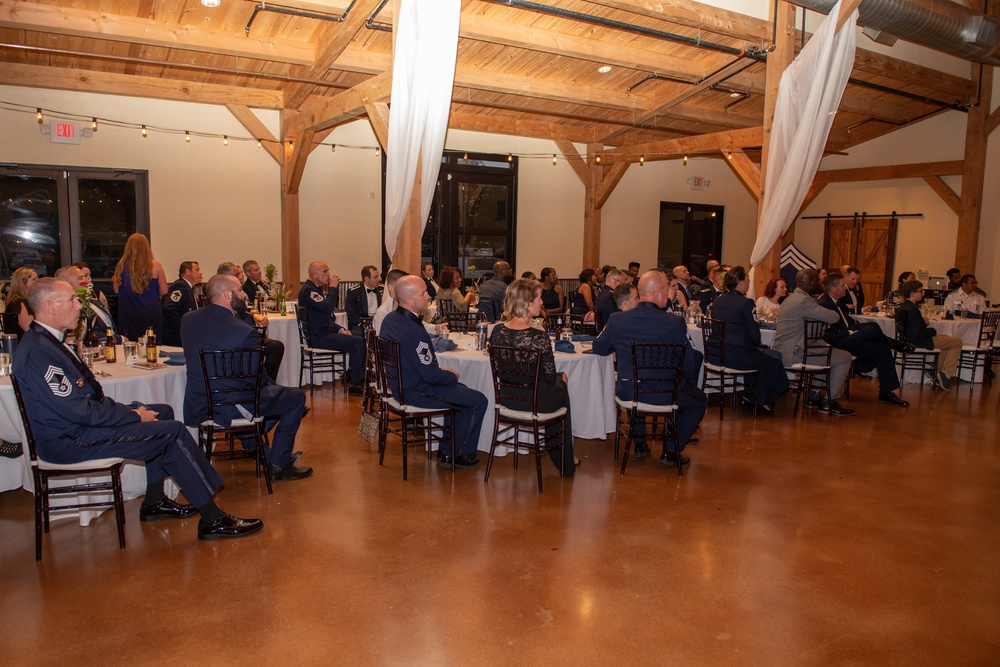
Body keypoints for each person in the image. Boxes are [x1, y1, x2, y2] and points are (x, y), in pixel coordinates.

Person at [12, 278, 262, 540]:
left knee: (162, 412)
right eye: (72, 300)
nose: (79, 306)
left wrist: (132, 410)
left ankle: (154, 502)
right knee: (171, 432)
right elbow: (79, 411)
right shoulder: (39, 351)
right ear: (50, 306)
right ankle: (213, 519)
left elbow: (84, 402)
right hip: (71, 439)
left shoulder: (47, 341)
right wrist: (132, 415)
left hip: (79, 428)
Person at [181, 274, 311, 480]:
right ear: (227, 294)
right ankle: (278, 463)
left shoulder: (188, 320)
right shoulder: (243, 331)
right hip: (231, 406)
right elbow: (255, 380)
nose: (245, 295)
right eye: (240, 290)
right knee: (295, 398)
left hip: (200, 402)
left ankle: (266, 455)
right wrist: (274, 389)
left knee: (270, 395)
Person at [594, 270, 706, 467]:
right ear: (659, 294)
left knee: (635, 382)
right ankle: (671, 450)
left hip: (629, 391)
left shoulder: (618, 320)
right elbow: (688, 360)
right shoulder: (674, 323)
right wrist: (686, 383)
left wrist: (617, 349)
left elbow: (599, 347)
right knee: (698, 401)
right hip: (665, 394)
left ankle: (639, 443)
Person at [381, 276, 488, 468]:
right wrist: (450, 374)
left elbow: (421, 364)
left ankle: (448, 450)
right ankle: (458, 453)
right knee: (477, 400)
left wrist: (441, 373)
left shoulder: (391, 319)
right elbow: (430, 376)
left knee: (460, 391)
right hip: (415, 390)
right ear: (410, 300)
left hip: (400, 384)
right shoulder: (414, 330)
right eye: (423, 292)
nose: (429, 295)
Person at [488, 279, 576, 476]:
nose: (542, 303)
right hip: (536, 402)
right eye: (539, 299)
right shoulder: (539, 337)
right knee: (562, 384)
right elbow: (550, 375)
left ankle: (565, 457)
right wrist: (562, 380)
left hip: (508, 398)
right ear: (527, 303)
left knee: (559, 383)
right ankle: (564, 459)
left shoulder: (496, 331)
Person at [818, 272, 910, 407]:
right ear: (833, 289)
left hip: (847, 337)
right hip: (837, 342)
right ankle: (894, 343)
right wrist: (850, 332)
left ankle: (886, 392)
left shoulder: (838, 302)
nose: (846, 288)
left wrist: (855, 330)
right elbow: (826, 333)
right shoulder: (824, 303)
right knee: (872, 328)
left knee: (882, 347)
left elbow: (848, 322)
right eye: (843, 285)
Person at [773, 268, 855, 416]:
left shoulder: (790, 298)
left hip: (785, 349)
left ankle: (814, 396)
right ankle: (829, 401)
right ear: (809, 283)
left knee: (824, 351)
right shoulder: (804, 301)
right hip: (795, 353)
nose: (820, 283)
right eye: (817, 281)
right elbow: (833, 317)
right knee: (844, 357)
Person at [709, 266, 789, 414]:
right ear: (740, 283)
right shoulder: (746, 303)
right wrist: (757, 343)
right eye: (747, 279)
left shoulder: (718, 300)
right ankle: (759, 399)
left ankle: (752, 395)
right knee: (774, 364)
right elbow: (754, 333)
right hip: (736, 355)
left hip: (715, 352)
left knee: (760, 358)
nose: (749, 282)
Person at [299, 261, 365, 396]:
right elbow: (327, 307)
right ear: (314, 274)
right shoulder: (308, 291)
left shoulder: (314, 289)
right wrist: (333, 288)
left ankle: (353, 375)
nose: (329, 274)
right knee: (358, 343)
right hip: (319, 337)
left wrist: (340, 329)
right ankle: (356, 383)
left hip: (325, 332)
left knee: (362, 337)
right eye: (325, 271)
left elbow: (325, 317)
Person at [217, 262, 285, 382]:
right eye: (237, 273)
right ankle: (263, 382)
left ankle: (266, 381)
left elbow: (245, 309)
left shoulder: (239, 288)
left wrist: (253, 315)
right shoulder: (228, 292)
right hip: (239, 337)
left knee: (275, 346)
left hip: (247, 330)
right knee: (275, 347)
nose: (241, 275)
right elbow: (236, 314)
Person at [896, 280, 963, 390]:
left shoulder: (905, 306)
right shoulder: (913, 309)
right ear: (912, 294)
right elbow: (917, 333)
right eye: (920, 291)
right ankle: (946, 374)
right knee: (957, 342)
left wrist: (922, 322)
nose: (922, 293)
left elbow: (912, 327)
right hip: (917, 341)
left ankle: (937, 371)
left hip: (910, 339)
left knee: (947, 340)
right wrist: (932, 331)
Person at [112, 233, 168, 340]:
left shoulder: (121, 266)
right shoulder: (156, 266)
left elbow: (116, 290)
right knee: (152, 344)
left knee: (132, 345)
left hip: (129, 313)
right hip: (151, 313)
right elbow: (164, 291)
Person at [161, 261, 202, 347]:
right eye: (197, 270)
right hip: (174, 338)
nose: (200, 273)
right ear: (188, 272)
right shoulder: (181, 286)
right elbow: (169, 307)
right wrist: (181, 327)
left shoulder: (187, 287)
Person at [345, 265, 382, 332]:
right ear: (367, 279)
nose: (379, 279)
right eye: (375, 277)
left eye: (378, 276)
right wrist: (364, 325)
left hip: (378, 321)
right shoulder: (354, 292)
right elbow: (351, 314)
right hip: (361, 323)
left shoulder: (383, 290)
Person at [4, 267, 38, 339]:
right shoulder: (18, 302)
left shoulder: (24, 301)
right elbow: (30, 330)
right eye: (34, 280)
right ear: (23, 283)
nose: (37, 282)